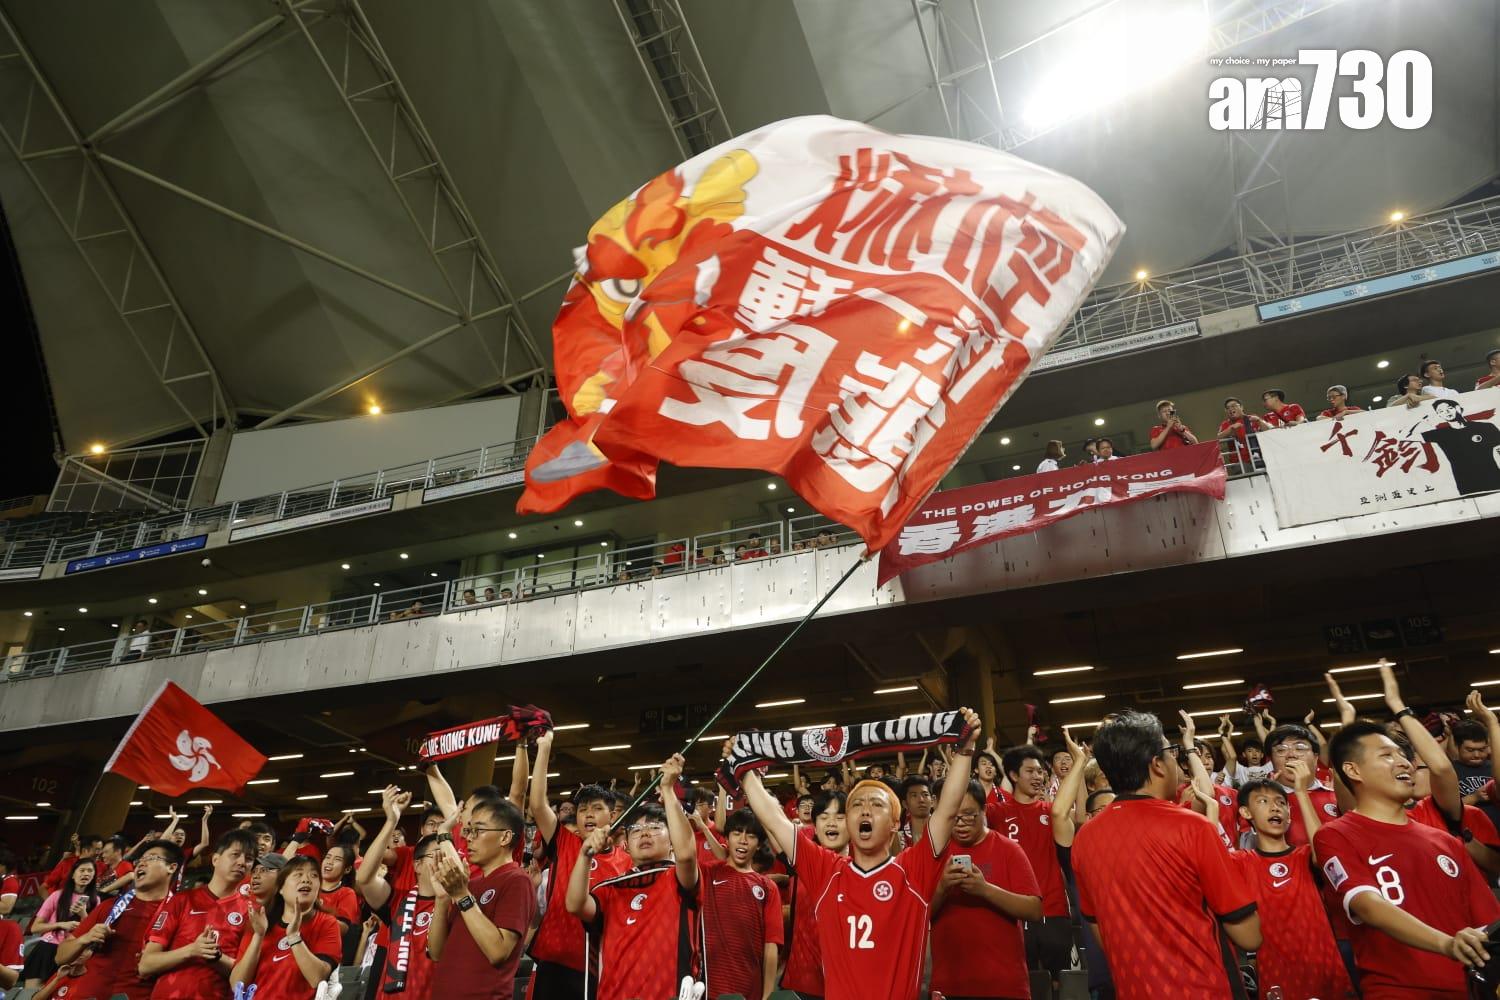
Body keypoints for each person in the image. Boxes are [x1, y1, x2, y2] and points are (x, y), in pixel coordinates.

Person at [739, 706, 983, 1000]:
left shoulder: (913, 869)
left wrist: (965, 751)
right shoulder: (826, 871)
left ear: (895, 824)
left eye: (877, 804)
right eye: (857, 804)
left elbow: (947, 811)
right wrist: (744, 769)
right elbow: (774, 819)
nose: (865, 809)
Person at [1073, 710, 1260, 999]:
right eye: (1171, 751)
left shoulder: (1085, 838)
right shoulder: (1192, 827)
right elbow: (1249, 935)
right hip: (1204, 989)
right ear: (1157, 764)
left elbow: (1101, 934)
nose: (1176, 761)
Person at [1315, 720, 1500, 996]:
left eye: (1403, 755)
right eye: (1386, 755)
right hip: (1397, 990)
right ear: (1353, 770)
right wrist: (1446, 944)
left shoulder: (1447, 842)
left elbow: (1488, 923)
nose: (1404, 763)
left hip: (1467, 991)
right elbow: (1367, 905)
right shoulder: (1336, 835)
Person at [567, 755, 700, 1000]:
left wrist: (668, 790)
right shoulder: (609, 889)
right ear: (626, 844)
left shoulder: (678, 879)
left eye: (655, 827)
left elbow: (686, 855)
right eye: (636, 829)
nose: (645, 833)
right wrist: (585, 854)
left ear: (671, 839)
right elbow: (575, 905)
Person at [1230, 765, 1352, 1000]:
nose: (1275, 807)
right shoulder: (1241, 861)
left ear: (1289, 814)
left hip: (1327, 970)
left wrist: (1301, 792)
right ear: (1245, 812)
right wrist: (1212, 809)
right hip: (1277, 975)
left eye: (1281, 802)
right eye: (1263, 801)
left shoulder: (1305, 855)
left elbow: (1324, 852)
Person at [527, 730, 631, 998]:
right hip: (552, 960)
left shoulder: (627, 862)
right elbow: (537, 804)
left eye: (596, 808)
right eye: (583, 810)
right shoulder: (565, 842)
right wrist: (544, 748)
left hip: (597, 967)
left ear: (613, 815)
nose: (588, 815)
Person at [929, 777, 1042, 1000]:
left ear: (984, 810)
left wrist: (985, 890)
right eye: (953, 816)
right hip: (949, 986)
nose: (961, 823)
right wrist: (941, 888)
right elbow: (917, 917)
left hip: (1004, 985)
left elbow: (1034, 909)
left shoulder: (1008, 849)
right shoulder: (932, 854)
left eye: (969, 815)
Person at [428, 794, 534, 999]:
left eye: (478, 830)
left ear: (505, 837)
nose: (468, 838)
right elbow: (436, 952)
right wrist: (442, 900)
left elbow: (498, 951)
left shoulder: (517, 880)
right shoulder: (470, 885)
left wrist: (462, 895)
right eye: (468, 830)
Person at [56, 838, 183, 1000]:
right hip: (86, 994)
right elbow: (60, 957)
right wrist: (85, 938)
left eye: (151, 858)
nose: (141, 863)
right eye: (139, 860)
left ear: (171, 867)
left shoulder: (179, 913)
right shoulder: (109, 906)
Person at [140, 828, 257, 999]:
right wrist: (192, 950)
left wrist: (216, 957)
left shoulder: (252, 912)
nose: (242, 862)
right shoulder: (181, 900)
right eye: (235, 854)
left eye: (249, 859)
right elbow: (146, 965)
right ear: (215, 859)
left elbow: (243, 977)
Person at [989, 745, 1071, 985]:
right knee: (1021, 983)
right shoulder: (995, 813)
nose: (1037, 777)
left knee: (1060, 984)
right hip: (1013, 914)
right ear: (1013, 775)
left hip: (1053, 910)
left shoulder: (1052, 812)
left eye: (1040, 771)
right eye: (1030, 771)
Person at [357, 788, 439, 1000]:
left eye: (443, 823)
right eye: (432, 823)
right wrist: (391, 820)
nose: (437, 828)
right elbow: (365, 876)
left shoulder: (457, 901)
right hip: (393, 943)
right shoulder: (408, 855)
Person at [698, 807, 782, 1000]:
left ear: (759, 845)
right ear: (727, 839)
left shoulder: (767, 887)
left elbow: (771, 946)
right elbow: (684, 857)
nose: (743, 840)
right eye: (737, 833)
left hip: (750, 990)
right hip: (709, 989)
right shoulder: (707, 873)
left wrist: (767, 995)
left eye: (751, 836)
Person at [230, 854, 341, 1000]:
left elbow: (317, 978)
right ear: (281, 888)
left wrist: (294, 936)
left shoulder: (326, 923)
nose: (306, 879)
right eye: (298, 874)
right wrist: (258, 936)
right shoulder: (261, 923)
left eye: (314, 875)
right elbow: (237, 984)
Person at [777, 789, 848, 1000]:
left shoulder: (864, 872)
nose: (831, 823)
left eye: (840, 817)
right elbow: (772, 820)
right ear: (814, 826)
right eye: (824, 817)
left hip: (848, 983)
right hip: (802, 982)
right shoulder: (803, 861)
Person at [23, 857, 99, 986]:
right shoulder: (57, 895)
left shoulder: (95, 900)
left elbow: (92, 931)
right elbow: (35, 927)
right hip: (48, 948)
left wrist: (83, 914)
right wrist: (61, 924)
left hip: (73, 952)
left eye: (90, 871)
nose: (86, 874)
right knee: (31, 992)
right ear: (73, 875)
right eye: (82, 870)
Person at [1263, 723, 1339, 846]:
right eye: (1281, 750)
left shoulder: (1337, 796)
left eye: (1300, 748)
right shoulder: (1260, 800)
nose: (1291, 755)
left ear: (1316, 758)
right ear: (1271, 760)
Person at [1422, 398, 1500, 495]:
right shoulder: (1440, 434)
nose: (1446, 412)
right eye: (1441, 411)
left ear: (1458, 408)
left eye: (1449, 408)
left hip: (1493, 477)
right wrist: (1423, 421)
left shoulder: (1486, 427)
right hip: (1466, 483)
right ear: (1438, 415)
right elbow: (1405, 436)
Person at [1216, 397, 1269, 467]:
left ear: (1241, 407)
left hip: (1262, 458)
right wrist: (1230, 429)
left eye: (1233, 406)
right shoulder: (1225, 424)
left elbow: (1270, 432)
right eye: (1228, 408)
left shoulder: (1253, 418)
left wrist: (1259, 421)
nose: (1230, 409)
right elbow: (1218, 438)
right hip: (1239, 462)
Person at [898, 775, 933, 846]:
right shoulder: (899, 839)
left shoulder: (946, 831)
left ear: (932, 801)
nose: (921, 800)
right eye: (914, 795)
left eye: (925, 795)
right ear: (905, 804)